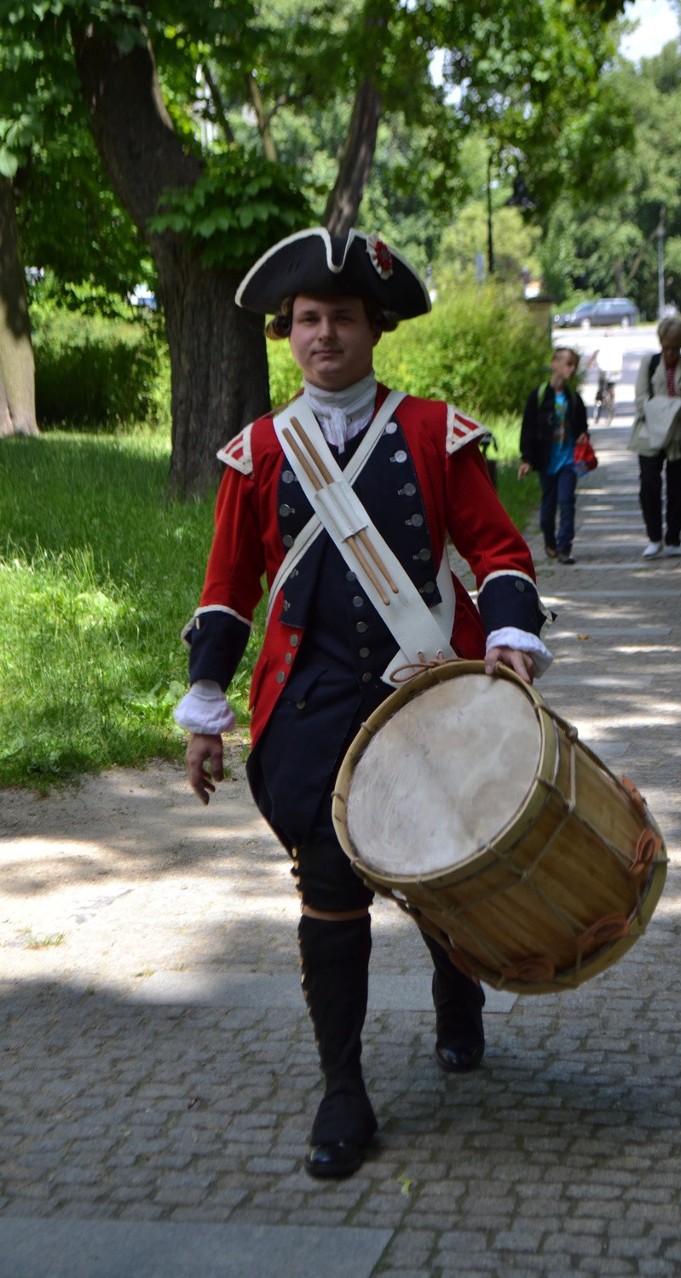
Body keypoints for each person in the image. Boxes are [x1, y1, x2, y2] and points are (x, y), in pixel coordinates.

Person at [173, 227, 552, 1181]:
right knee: (330, 890)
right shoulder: (259, 453)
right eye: (308, 319)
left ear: (374, 328)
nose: (324, 334)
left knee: (439, 868)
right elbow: (228, 590)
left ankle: (454, 982)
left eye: (343, 317)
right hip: (310, 707)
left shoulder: (431, 431)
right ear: (284, 333)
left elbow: (497, 552)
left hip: (428, 692)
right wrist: (208, 701)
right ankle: (342, 1086)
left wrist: (508, 635)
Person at [628, 316, 681, 558]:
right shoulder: (649, 364)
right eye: (666, 346)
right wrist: (672, 407)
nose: (670, 352)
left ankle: (674, 538)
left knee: (678, 488)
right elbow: (641, 401)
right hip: (649, 434)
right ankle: (654, 536)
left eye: (675, 347)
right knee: (648, 484)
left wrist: (658, 407)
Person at [518, 347, 590, 565]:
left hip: (569, 460)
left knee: (567, 502)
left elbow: (582, 428)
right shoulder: (539, 397)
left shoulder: (574, 399)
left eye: (574, 365)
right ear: (554, 364)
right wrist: (527, 459)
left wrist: (582, 436)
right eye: (568, 363)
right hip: (547, 462)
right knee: (547, 509)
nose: (571, 369)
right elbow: (528, 429)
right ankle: (550, 541)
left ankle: (564, 547)